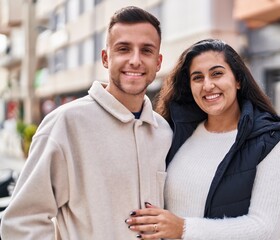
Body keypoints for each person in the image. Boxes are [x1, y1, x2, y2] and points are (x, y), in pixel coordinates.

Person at [0, 6, 172, 239]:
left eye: (146, 50)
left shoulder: (164, 132)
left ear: (158, 62)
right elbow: (21, 222)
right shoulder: (65, 124)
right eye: (123, 49)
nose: (135, 60)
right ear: (105, 58)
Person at [125, 39, 280, 239]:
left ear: (237, 80)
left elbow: (265, 227)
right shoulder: (175, 132)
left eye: (217, 73)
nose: (208, 85)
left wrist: (183, 229)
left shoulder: (267, 140)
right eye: (197, 78)